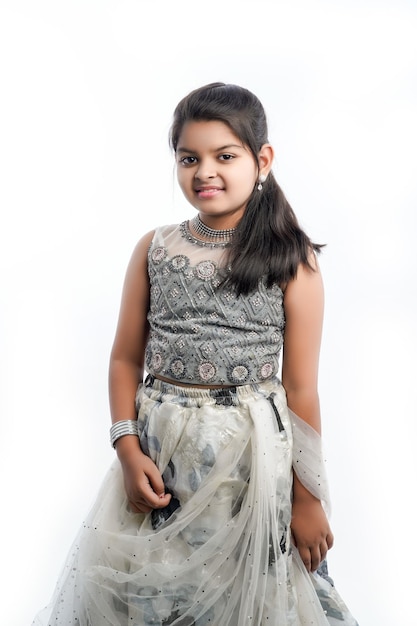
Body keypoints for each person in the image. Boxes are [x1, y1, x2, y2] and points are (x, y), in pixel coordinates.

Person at [33, 82, 358, 625]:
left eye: (224, 156)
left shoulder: (291, 259)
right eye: (190, 158)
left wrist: (308, 498)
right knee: (159, 595)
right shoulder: (155, 248)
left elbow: (300, 389)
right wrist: (127, 448)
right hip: (161, 452)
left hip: (248, 465)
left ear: (262, 160)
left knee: (242, 594)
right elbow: (123, 361)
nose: (204, 171)